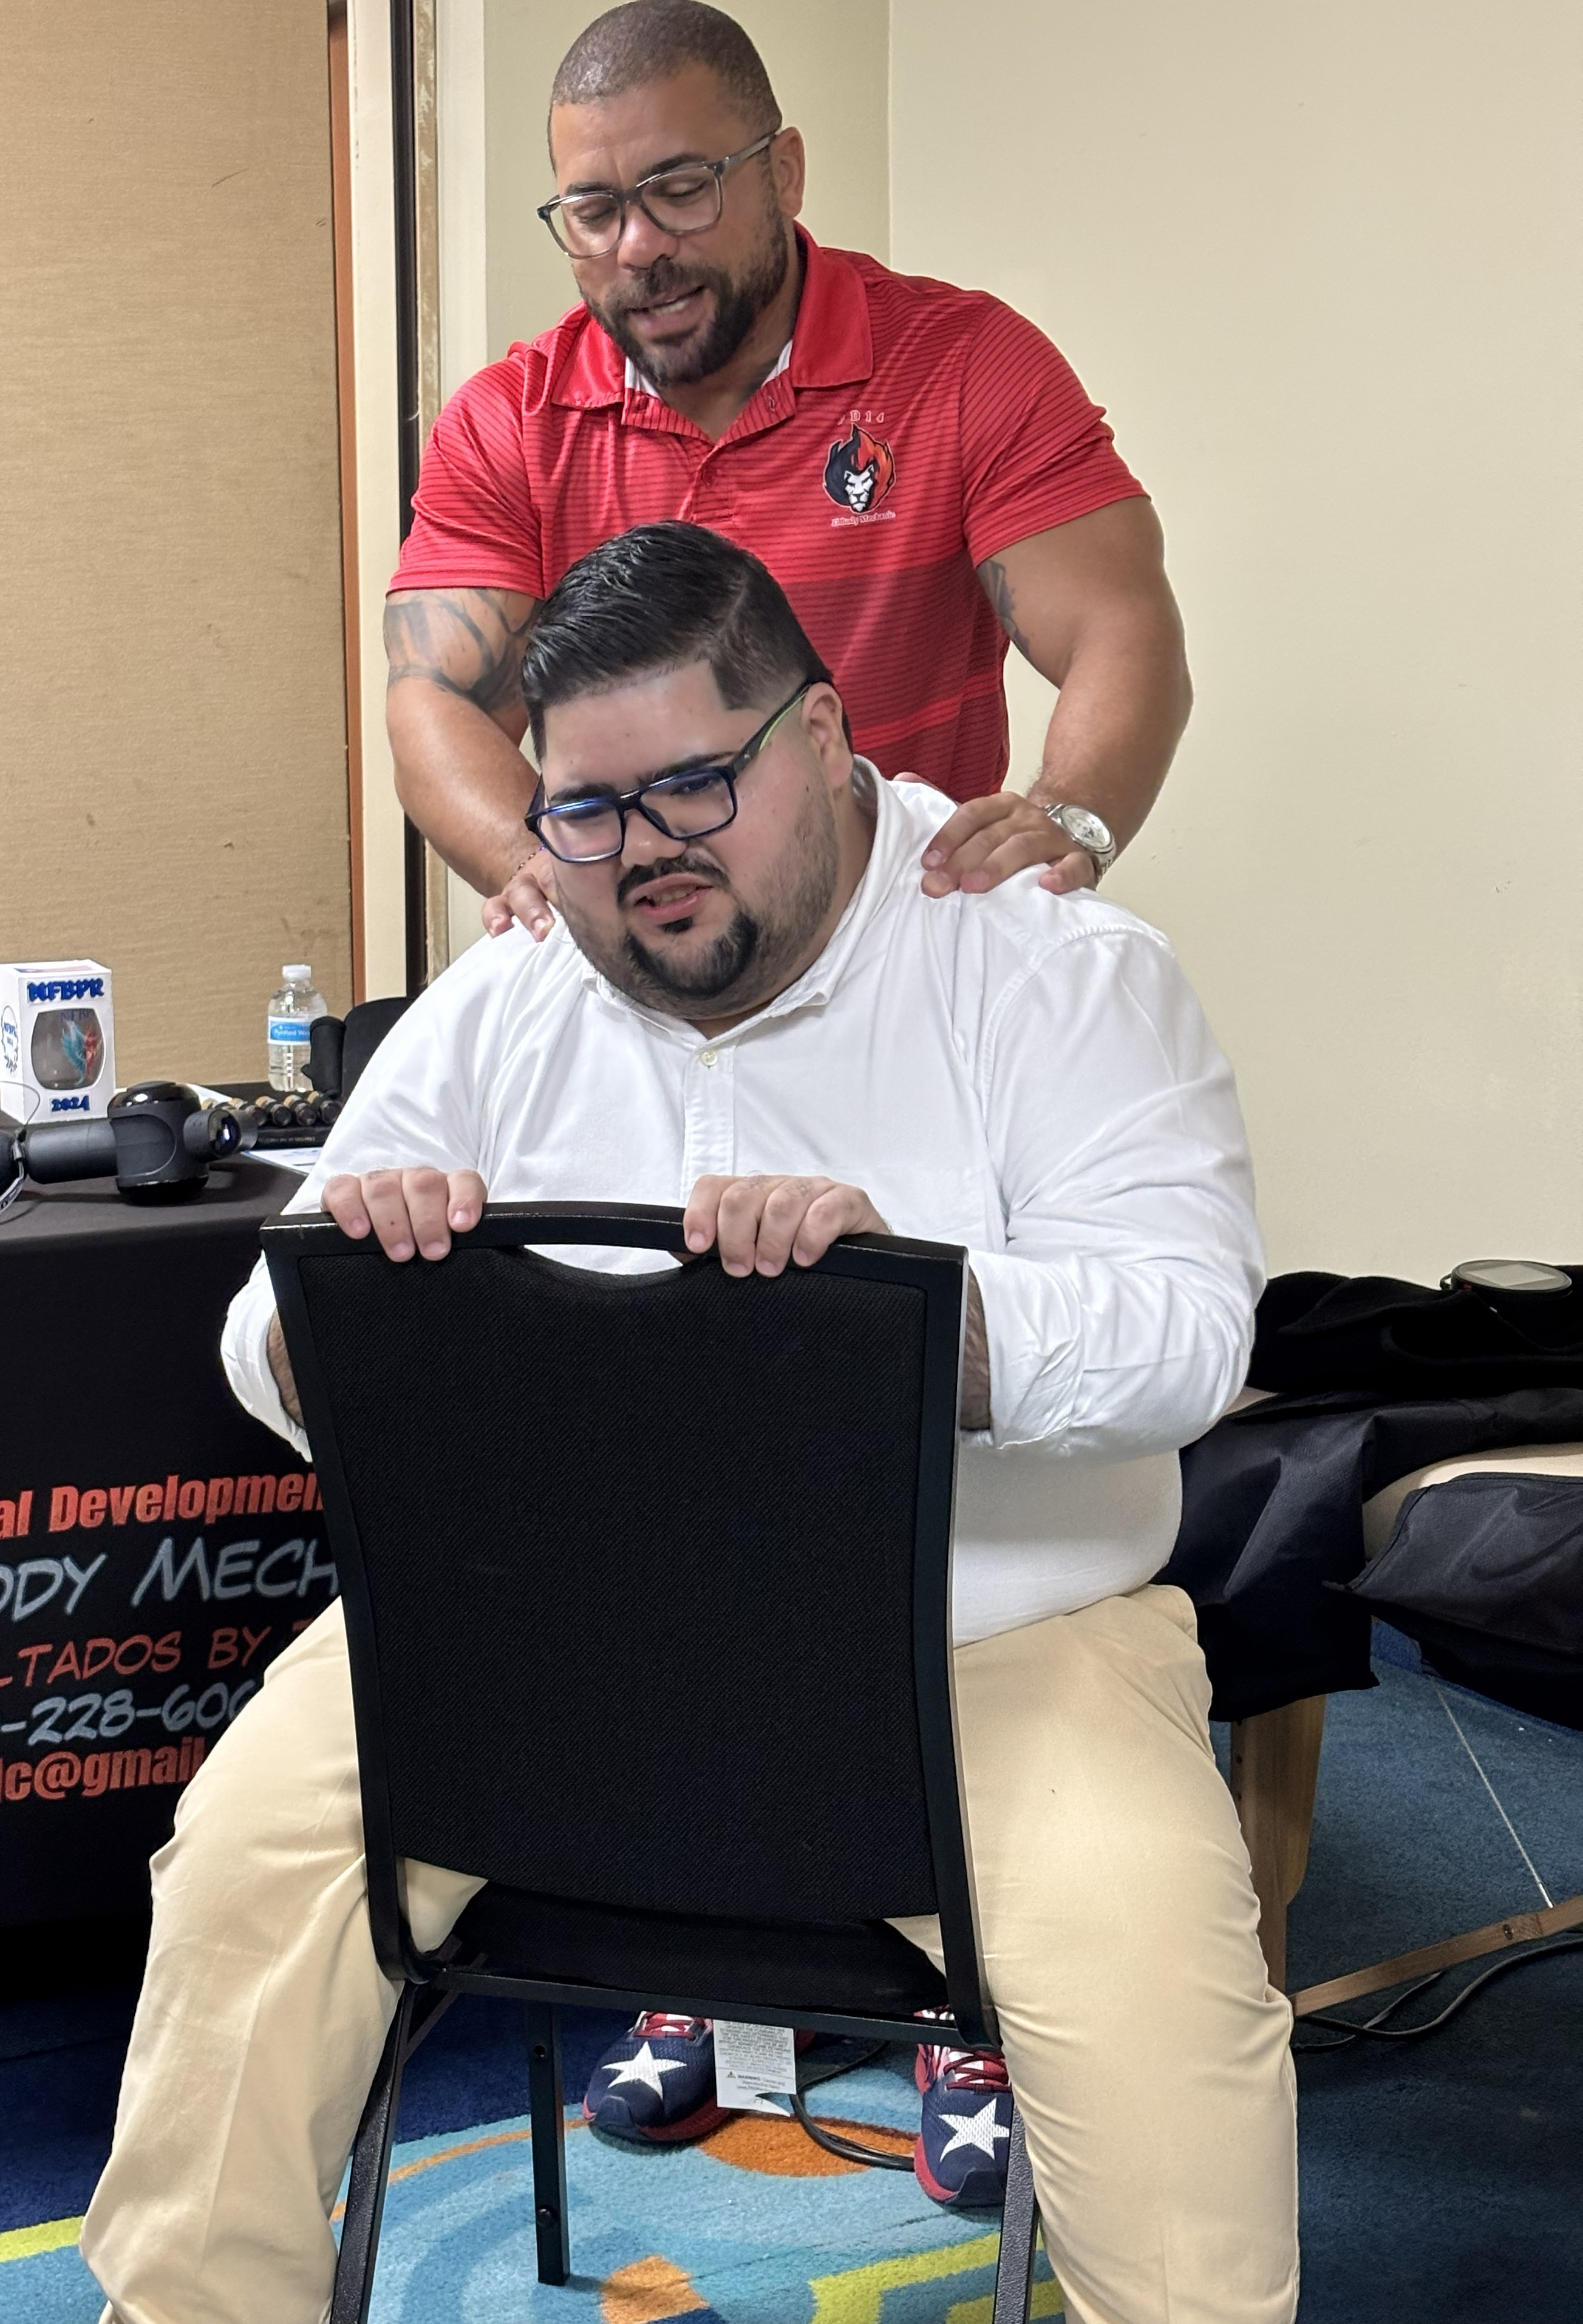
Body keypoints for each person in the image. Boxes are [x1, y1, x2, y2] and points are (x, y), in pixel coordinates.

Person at [83, 525, 1296, 2324]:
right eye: (586, 809)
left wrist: (917, 1314)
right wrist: (367, 1307)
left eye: (697, 787)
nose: (645, 849)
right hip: (522, 1639)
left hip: (988, 1649)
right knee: (241, 1889)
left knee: (1159, 1999)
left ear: (824, 731)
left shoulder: (1059, 973)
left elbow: (1188, 1333)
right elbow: (263, 1342)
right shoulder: (510, 993)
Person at [386, 0, 1194, 940]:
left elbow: (1119, 628)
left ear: (784, 172)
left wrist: (1070, 818)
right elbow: (435, 696)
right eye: (595, 212)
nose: (637, 247)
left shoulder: (966, 365)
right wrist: (547, 871)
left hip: (912, 939)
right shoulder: (508, 422)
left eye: (681, 189)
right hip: (652, 960)